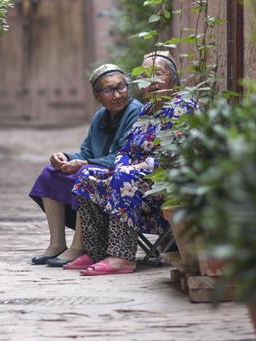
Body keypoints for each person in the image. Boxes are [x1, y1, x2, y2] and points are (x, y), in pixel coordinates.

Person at [65, 52, 195, 276]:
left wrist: (132, 169)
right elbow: (126, 149)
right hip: (140, 182)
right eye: (145, 76)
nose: (151, 81)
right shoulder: (146, 111)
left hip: (166, 185)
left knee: (124, 177)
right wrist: (123, 164)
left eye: (159, 75)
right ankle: (96, 251)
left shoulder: (182, 107)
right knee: (87, 176)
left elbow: (172, 157)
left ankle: (122, 257)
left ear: (173, 78)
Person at [28, 63, 143, 266]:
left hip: (121, 174)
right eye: (109, 90)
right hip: (96, 167)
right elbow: (87, 152)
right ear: (97, 95)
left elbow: (127, 155)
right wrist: (65, 157)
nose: (117, 95)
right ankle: (57, 243)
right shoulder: (100, 116)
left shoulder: (136, 112)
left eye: (121, 87)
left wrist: (85, 163)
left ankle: (79, 246)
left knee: (86, 173)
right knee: (50, 172)